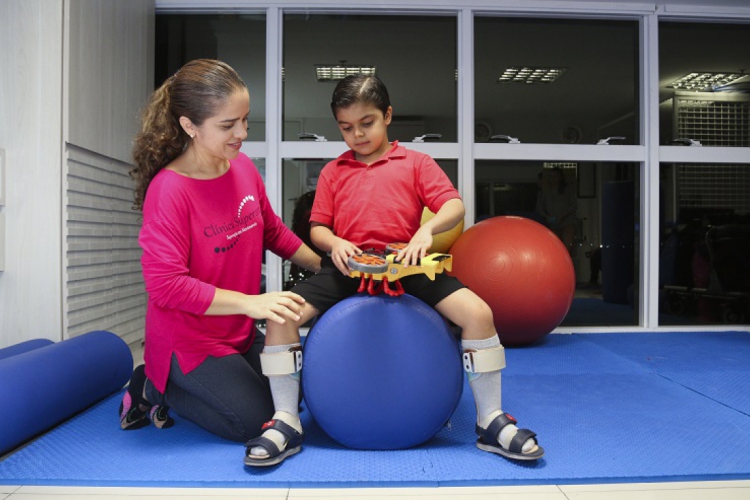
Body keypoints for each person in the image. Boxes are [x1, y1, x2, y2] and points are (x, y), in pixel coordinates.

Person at [244, 74, 544, 467]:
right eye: (346, 128)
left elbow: (454, 206)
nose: (357, 135)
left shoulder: (417, 162)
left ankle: (490, 420)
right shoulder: (334, 171)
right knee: (281, 315)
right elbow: (318, 227)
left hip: (406, 265)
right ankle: (286, 421)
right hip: (349, 268)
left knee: (479, 314)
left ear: (387, 115)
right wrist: (335, 243)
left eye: (367, 123)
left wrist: (426, 229)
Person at [121, 59, 321, 445]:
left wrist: (326, 266)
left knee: (295, 400)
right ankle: (153, 385)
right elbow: (166, 286)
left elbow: (272, 230)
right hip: (188, 342)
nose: (242, 133)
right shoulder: (169, 191)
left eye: (244, 119)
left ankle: (172, 383)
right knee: (255, 422)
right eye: (228, 125)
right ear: (189, 126)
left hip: (238, 332)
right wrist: (252, 303)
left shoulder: (242, 167)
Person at [537, 167, 577, 254]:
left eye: (556, 176)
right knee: (555, 249)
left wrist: (563, 216)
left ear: (560, 177)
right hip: (553, 224)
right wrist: (547, 216)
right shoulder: (545, 191)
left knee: (567, 249)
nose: (553, 179)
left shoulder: (567, 190)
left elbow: (573, 205)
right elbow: (540, 208)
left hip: (567, 223)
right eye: (551, 176)